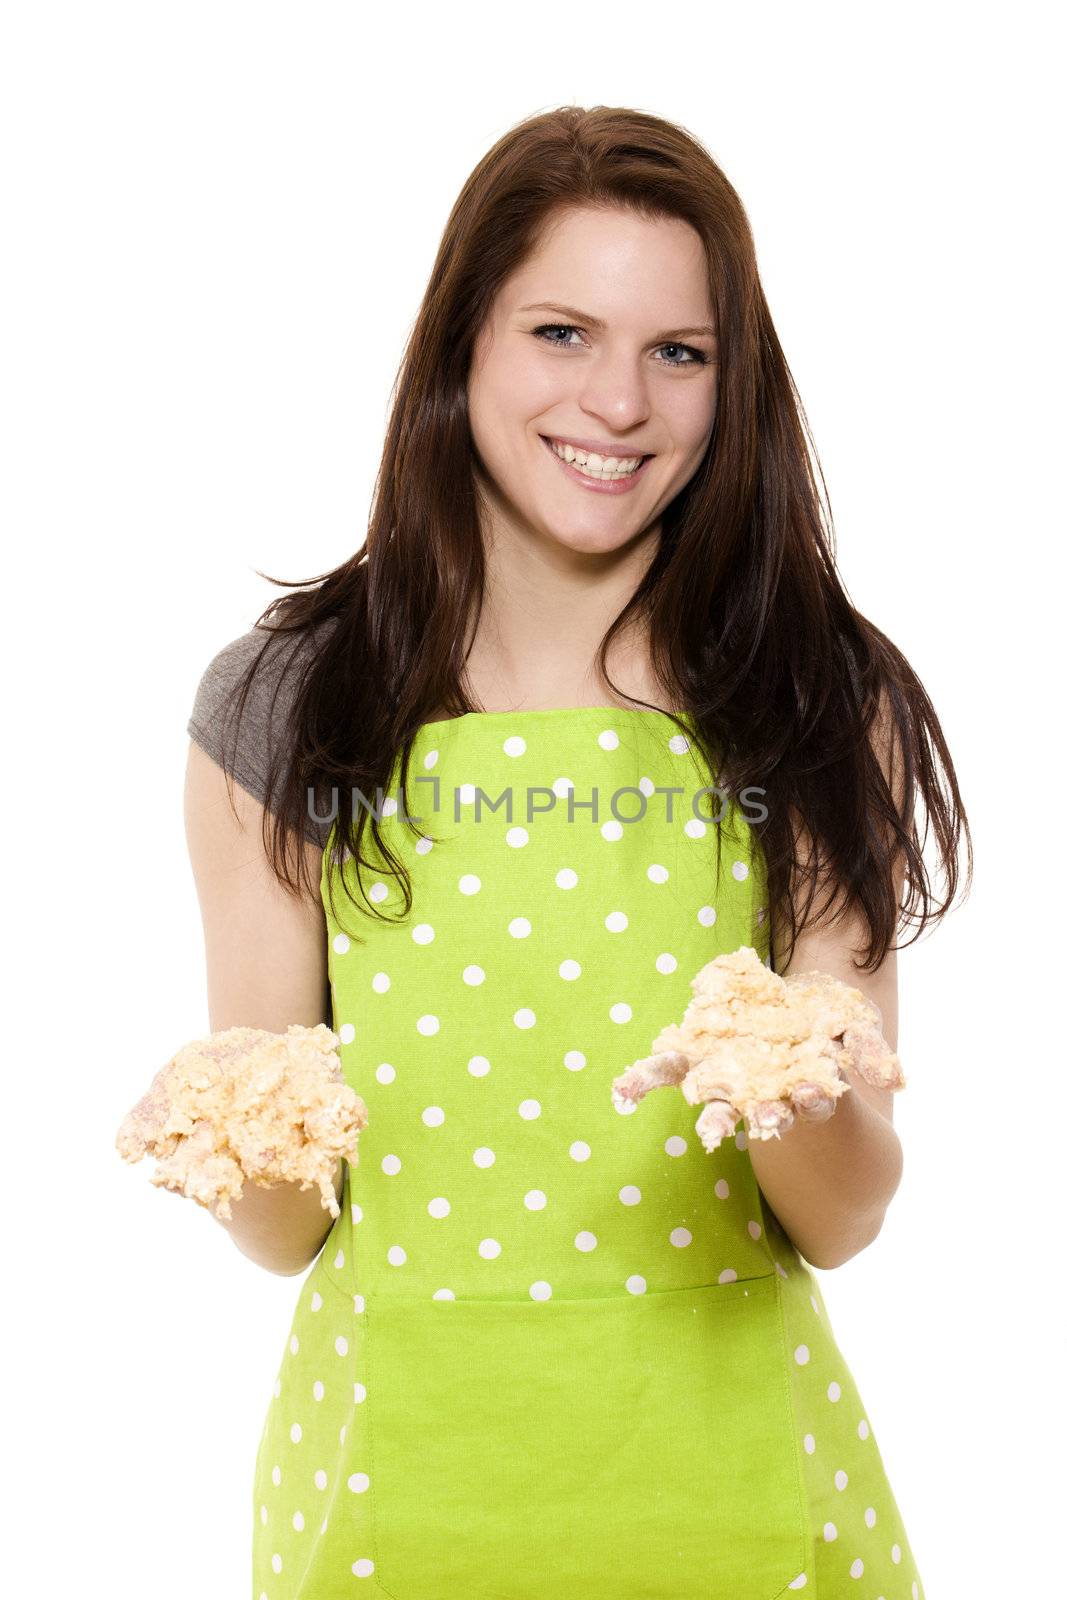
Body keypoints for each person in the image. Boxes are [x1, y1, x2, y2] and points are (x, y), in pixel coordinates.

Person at [185, 104, 968, 1600]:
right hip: (394, 1504)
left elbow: (848, 1215)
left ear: (734, 389)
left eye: (681, 351)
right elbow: (284, 1237)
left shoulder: (814, 695)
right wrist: (233, 1134)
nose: (618, 401)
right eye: (561, 332)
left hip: (744, 1509)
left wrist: (779, 1078)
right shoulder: (288, 704)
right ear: (461, 344)